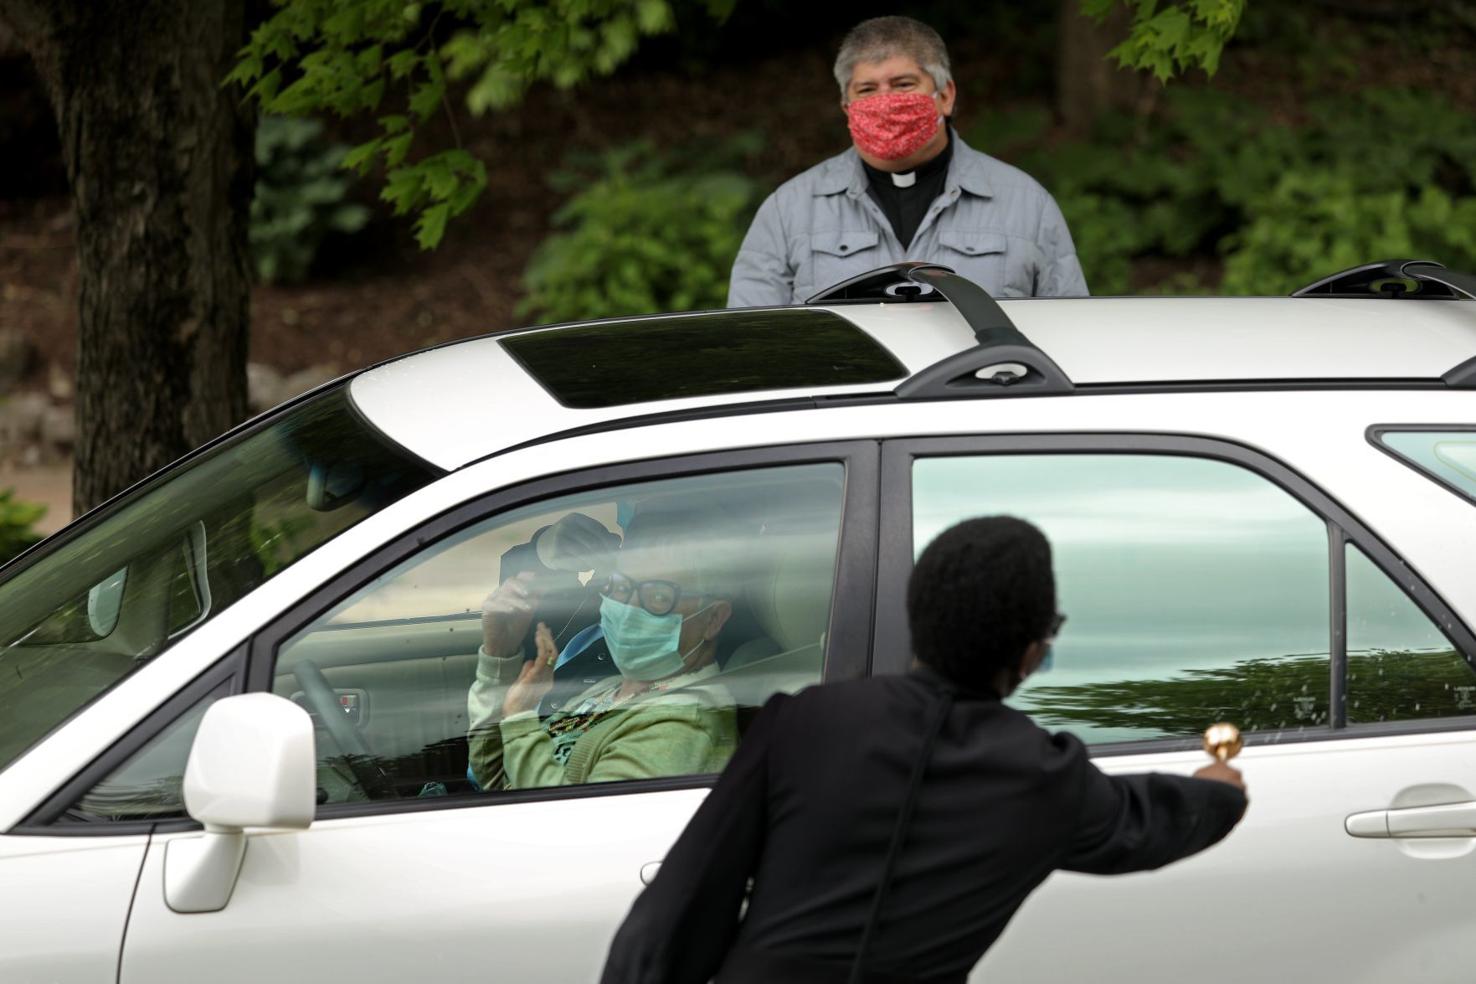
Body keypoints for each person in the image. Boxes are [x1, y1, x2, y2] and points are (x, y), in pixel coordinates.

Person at [600, 516, 1247, 984]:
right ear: (1031, 652)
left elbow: (680, 906)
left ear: (916, 616)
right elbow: (1148, 821)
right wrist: (1220, 789)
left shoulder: (804, 721)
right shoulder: (1045, 776)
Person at [727, 16, 1088, 307]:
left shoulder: (1025, 205)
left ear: (945, 96)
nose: (885, 102)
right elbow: (751, 340)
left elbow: (1071, 331)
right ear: (847, 108)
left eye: (903, 85)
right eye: (867, 90)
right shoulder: (789, 210)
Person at [466, 508, 739, 791]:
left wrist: (519, 722)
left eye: (658, 597)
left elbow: (574, 817)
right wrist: (499, 654)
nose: (628, 608)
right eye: (620, 587)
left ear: (713, 618)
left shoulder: (681, 724)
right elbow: (497, 781)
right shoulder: (611, 691)